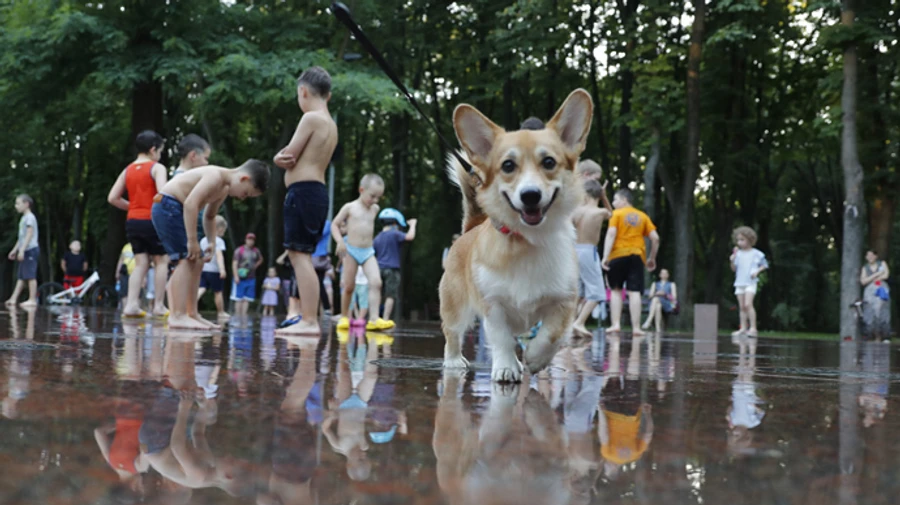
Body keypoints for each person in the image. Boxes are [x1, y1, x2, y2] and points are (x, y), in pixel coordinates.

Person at [151, 161, 270, 330]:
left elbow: (209, 216)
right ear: (244, 178)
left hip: (176, 208)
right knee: (186, 259)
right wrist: (192, 241)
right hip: (167, 206)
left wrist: (212, 242)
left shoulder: (223, 189)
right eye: (246, 193)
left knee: (197, 261)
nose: (242, 197)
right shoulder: (215, 176)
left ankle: (192, 314)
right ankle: (177, 315)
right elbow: (191, 204)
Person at [273, 66, 338, 336]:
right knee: (303, 256)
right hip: (316, 193)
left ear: (303, 91)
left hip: (303, 192)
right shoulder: (330, 124)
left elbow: (289, 155)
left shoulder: (310, 118)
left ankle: (309, 320)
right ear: (329, 95)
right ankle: (308, 317)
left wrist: (277, 159)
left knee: (299, 256)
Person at [107, 130, 170, 318]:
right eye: (159, 151)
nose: (159, 155)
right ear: (153, 150)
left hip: (133, 221)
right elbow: (162, 194)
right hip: (152, 220)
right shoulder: (157, 168)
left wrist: (133, 206)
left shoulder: (127, 170)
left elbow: (112, 198)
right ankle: (158, 305)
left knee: (141, 262)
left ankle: (131, 305)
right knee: (161, 261)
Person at [332, 174, 394, 332]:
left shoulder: (375, 209)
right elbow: (335, 224)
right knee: (349, 286)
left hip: (368, 251)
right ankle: (345, 316)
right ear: (361, 190)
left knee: (376, 282)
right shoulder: (350, 207)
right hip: (352, 250)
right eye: (372, 196)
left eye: (378, 197)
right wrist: (340, 241)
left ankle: (373, 319)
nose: (375, 201)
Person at [601, 189, 660, 335]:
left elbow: (611, 234)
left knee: (615, 290)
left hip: (617, 255)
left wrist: (605, 257)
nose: (613, 203)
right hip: (637, 256)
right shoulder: (643, 216)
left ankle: (615, 324)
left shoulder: (616, 214)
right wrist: (652, 258)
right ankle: (636, 328)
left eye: (615, 200)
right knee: (635, 292)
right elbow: (656, 238)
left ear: (624, 200)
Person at [571, 179, 611, 337]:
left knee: (578, 292)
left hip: (574, 250)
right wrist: (604, 197)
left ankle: (570, 327)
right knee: (598, 293)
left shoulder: (576, 211)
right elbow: (611, 213)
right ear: (598, 195)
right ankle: (579, 322)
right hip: (589, 252)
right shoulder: (599, 212)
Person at [373, 208, 417, 323]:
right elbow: (410, 237)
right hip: (392, 269)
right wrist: (413, 224)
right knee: (390, 295)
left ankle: (375, 317)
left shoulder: (377, 237)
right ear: (394, 223)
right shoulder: (395, 233)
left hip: (378, 269)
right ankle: (386, 319)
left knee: (377, 293)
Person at [729, 226, 768, 338]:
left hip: (750, 282)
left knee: (748, 304)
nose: (739, 242)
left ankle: (753, 328)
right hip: (739, 282)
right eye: (738, 240)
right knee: (741, 306)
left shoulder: (756, 253)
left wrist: (757, 272)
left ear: (750, 240)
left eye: (742, 240)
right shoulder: (738, 254)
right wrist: (732, 260)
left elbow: (764, 265)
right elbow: (734, 269)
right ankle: (743, 328)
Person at [170, 134, 212, 235]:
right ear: (193, 156)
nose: (207, 163)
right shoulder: (185, 181)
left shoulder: (176, 179)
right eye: (205, 158)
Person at [5, 194, 40, 307]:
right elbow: (21, 238)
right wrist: (15, 250)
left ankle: (32, 299)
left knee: (30, 275)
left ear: (26, 204)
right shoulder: (24, 218)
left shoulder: (30, 217)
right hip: (25, 249)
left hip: (31, 250)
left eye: (18, 203)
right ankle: (14, 298)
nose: (16, 206)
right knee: (21, 276)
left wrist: (22, 250)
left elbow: (29, 234)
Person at [198, 215, 229, 319]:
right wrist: (222, 269)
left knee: (201, 288)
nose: (223, 233)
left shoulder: (203, 240)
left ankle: (190, 307)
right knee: (218, 291)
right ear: (219, 229)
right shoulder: (219, 241)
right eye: (224, 230)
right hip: (214, 270)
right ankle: (221, 312)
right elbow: (219, 255)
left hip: (203, 269)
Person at [860, 249, 891, 340]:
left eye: (872, 255)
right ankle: (870, 335)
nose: (870, 257)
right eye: (868, 255)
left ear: (876, 256)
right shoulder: (865, 267)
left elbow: (886, 275)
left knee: (882, 311)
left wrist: (872, 279)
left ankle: (884, 336)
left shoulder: (882, 263)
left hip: (881, 288)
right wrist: (877, 274)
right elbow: (863, 281)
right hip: (870, 291)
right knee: (869, 311)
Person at [232, 233, 264, 318]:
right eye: (249, 239)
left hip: (251, 277)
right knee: (239, 298)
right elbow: (234, 263)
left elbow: (261, 259)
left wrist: (255, 266)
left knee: (247, 298)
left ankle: (243, 315)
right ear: (246, 240)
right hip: (240, 277)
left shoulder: (256, 251)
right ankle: (237, 316)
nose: (251, 241)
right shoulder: (239, 250)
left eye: (252, 240)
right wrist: (236, 276)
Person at [642, 268, 677, 333]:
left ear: (668, 275)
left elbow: (674, 298)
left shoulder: (671, 284)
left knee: (656, 299)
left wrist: (665, 294)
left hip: (667, 304)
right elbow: (650, 296)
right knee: (658, 306)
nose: (664, 274)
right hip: (654, 304)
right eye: (662, 273)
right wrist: (656, 293)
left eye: (665, 273)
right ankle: (658, 329)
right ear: (660, 275)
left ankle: (649, 320)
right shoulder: (655, 284)